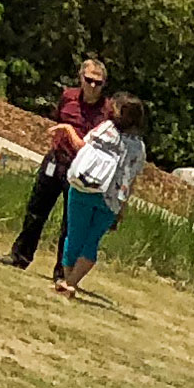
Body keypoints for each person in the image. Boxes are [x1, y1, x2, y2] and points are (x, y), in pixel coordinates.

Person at [6, 57, 108, 272]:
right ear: (80, 78)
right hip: (56, 160)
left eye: (98, 83)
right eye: (89, 80)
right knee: (36, 211)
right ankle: (20, 256)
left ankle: (62, 271)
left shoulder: (107, 113)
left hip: (81, 170)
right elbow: (58, 120)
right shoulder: (68, 97)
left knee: (70, 224)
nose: (92, 86)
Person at [50, 97, 142, 300]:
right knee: (91, 241)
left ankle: (66, 281)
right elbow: (132, 179)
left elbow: (81, 146)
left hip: (84, 187)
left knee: (74, 236)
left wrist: (67, 129)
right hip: (111, 200)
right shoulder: (139, 148)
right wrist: (122, 208)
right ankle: (72, 283)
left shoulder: (105, 129)